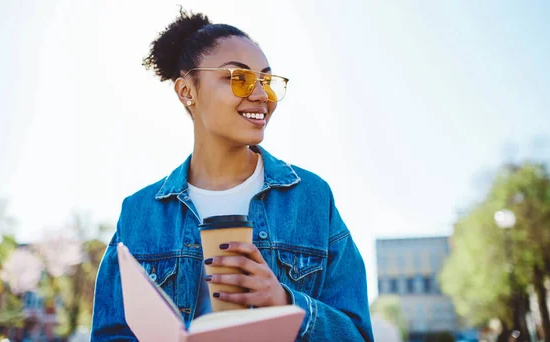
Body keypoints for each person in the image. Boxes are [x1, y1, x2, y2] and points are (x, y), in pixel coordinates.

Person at [91, 9, 374, 342]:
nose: (261, 95)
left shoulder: (312, 199)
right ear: (186, 91)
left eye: (266, 81)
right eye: (238, 79)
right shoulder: (139, 213)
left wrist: (285, 302)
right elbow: (111, 334)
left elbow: (357, 335)